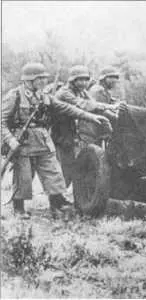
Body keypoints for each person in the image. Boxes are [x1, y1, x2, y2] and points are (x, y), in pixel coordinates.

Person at [1, 62, 110, 219]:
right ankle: (19, 209)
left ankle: (57, 204)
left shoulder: (44, 96)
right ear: (29, 80)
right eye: (40, 78)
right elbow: (2, 121)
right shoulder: (15, 96)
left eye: (44, 78)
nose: (43, 81)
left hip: (43, 141)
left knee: (53, 173)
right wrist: (10, 139)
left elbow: (66, 108)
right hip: (22, 141)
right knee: (23, 175)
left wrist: (91, 116)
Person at [51, 65, 117, 186]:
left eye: (86, 79)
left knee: (73, 165)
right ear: (72, 80)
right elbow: (83, 105)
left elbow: (93, 103)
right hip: (61, 133)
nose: (84, 83)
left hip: (72, 132)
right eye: (80, 80)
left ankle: (62, 198)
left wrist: (110, 108)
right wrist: (109, 107)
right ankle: (56, 200)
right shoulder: (65, 93)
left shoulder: (81, 91)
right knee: (65, 167)